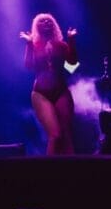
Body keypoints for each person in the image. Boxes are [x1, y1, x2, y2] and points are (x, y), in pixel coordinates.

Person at [21, 14, 78, 155]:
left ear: (54, 25)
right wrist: (28, 43)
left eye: (49, 20)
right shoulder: (33, 44)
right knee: (55, 135)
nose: (46, 22)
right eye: (42, 20)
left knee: (66, 134)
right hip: (41, 93)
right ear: (37, 26)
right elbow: (28, 65)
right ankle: (48, 171)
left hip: (61, 91)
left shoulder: (62, 45)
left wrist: (71, 40)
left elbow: (72, 66)